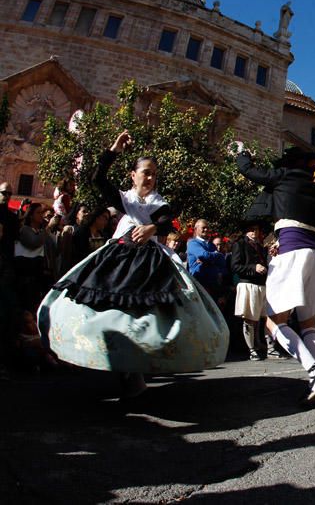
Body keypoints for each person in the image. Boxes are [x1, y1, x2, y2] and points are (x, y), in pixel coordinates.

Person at [39, 131, 229, 397]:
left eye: (154, 174)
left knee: (142, 316)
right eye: (146, 172)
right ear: (133, 175)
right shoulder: (123, 199)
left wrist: (152, 228)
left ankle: (135, 373)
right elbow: (97, 179)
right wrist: (113, 150)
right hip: (116, 260)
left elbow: (166, 219)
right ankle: (114, 366)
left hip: (148, 264)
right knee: (108, 311)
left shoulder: (160, 204)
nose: (150, 178)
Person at [237, 145, 315, 403]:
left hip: (293, 254)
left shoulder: (285, 176)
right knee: (308, 322)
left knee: (274, 322)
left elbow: (248, 171)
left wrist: (241, 153)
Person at [230, 223, 282, 361]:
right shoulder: (239, 244)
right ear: (246, 231)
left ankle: (270, 348)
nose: (254, 232)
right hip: (248, 284)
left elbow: (266, 264)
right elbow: (235, 266)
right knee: (249, 318)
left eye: (256, 229)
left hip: (262, 285)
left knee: (267, 316)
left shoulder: (260, 247)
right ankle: (251, 349)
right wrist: (253, 267)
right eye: (251, 229)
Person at [187, 219, 228, 304]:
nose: (206, 230)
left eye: (207, 228)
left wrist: (209, 258)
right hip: (199, 284)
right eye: (203, 227)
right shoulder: (193, 243)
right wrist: (215, 255)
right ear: (196, 229)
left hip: (214, 286)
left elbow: (222, 261)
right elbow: (204, 255)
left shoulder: (212, 245)